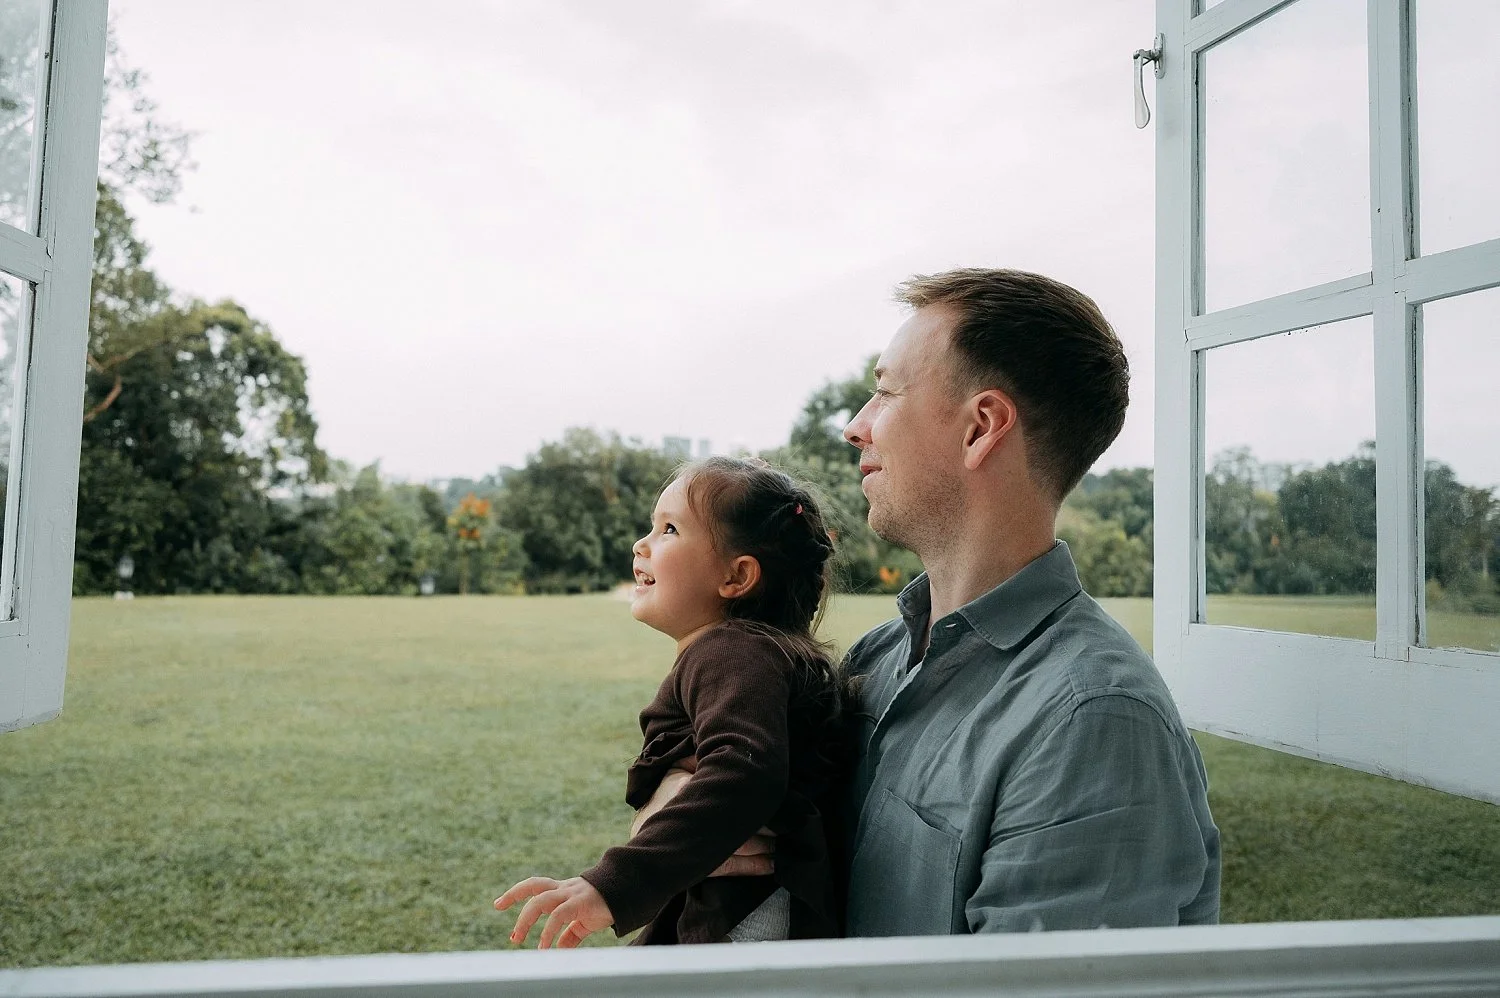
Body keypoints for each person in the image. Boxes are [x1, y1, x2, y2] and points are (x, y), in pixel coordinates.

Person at [641, 267, 1221, 936]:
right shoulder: (878, 660)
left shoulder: (1089, 722)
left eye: (886, 392)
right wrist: (670, 805)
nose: (856, 427)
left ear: (981, 427)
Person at [496, 457, 846, 947]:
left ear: (737, 576)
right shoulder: (745, 653)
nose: (642, 544)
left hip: (742, 923)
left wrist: (615, 884)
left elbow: (744, 772)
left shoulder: (734, 651)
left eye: (669, 529)